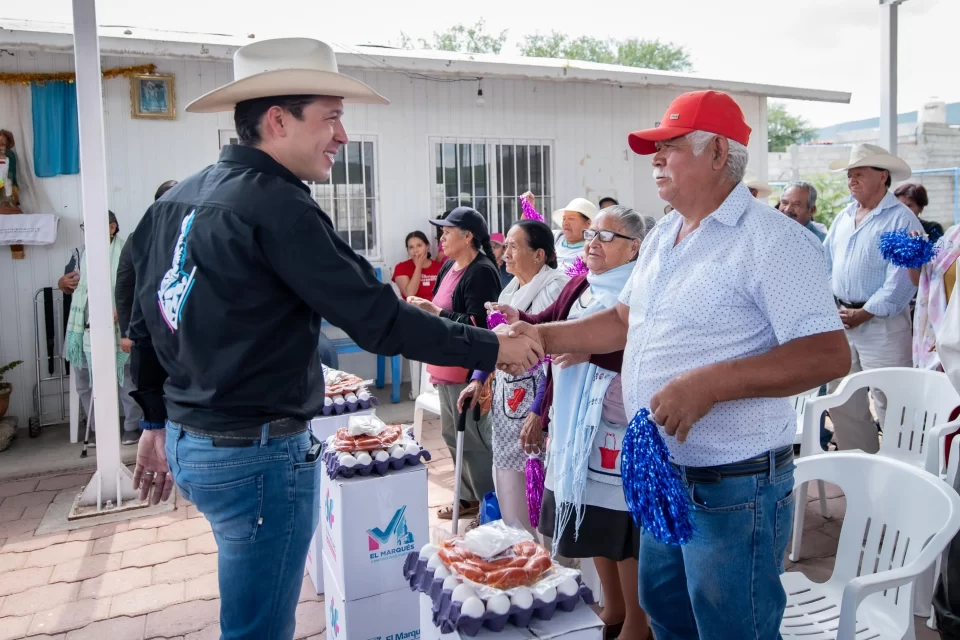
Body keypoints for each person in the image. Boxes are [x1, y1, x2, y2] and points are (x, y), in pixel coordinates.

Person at [127, 38, 541, 640]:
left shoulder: (179, 199)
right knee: (259, 626)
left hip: (194, 443)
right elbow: (380, 321)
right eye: (331, 117)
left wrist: (155, 421)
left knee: (244, 601)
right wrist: (494, 348)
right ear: (276, 120)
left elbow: (143, 324)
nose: (342, 136)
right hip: (255, 453)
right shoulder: (277, 206)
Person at [505, 90, 849, 638]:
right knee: (666, 612)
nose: (655, 158)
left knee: (732, 626)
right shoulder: (666, 233)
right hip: (665, 470)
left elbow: (828, 353)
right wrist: (541, 335)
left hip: (732, 485)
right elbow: (622, 321)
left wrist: (713, 383)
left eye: (670, 147)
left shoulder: (772, 240)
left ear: (717, 153)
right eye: (655, 149)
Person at [495, 206, 655, 640]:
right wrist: (524, 323)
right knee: (595, 520)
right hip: (576, 420)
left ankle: (640, 626)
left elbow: (641, 344)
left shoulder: (642, 286)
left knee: (624, 530)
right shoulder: (583, 281)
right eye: (592, 234)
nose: (593, 242)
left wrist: (593, 352)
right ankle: (615, 608)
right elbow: (557, 324)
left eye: (606, 236)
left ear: (636, 247)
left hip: (618, 424)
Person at [459, 219, 567, 537]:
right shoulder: (511, 289)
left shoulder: (554, 289)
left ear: (539, 255)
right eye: (505, 246)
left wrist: (538, 412)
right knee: (509, 490)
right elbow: (497, 342)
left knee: (540, 500)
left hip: (539, 409)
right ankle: (518, 557)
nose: (505, 253)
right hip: (507, 411)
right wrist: (479, 379)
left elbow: (554, 360)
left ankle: (544, 569)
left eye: (514, 246)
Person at [406, 207, 504, 525]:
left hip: (467, 370)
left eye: (448, 232)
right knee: (452, 434)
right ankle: (467, 499)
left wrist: (436, 312)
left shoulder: (482, 271)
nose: (442, 238)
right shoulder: (450, 265)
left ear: (468, 236)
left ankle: (490, 506)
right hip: (444, 367)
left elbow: (480, 324)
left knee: (473, 439)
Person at [823, 143, 922, 453]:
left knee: (892, 401)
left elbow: (902, 281)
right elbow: (825, 265)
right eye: (849, 175)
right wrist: (833, 306)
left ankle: (904, 470)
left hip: (882, 326)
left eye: (859, 174)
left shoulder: (902, 220)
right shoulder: (843, 216)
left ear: (882, 176)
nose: (851, 180)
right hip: (842, 322)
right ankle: (861, 465)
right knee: (842, 399)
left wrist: (865, 312)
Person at [61, 211, 144, 445]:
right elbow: (69, 284)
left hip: (119, 324)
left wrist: (122, 308)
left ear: (112, 227)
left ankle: (131, 426)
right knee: (84, 379)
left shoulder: (127, 249)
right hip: (84, 328)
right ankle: (98, 428)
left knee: (127, 378)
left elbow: (138, 285)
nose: (88, 232)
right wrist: (62, 284)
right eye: (85, 227)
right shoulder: (80, 254)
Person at [910, 223, 960, 370]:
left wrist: (952, 338)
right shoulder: (953, 235)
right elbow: (923, 280)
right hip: (941, 338)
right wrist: (915, 253)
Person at [530, 191, 596, 271]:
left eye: (571, 219)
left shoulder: (593, 249)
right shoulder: (554, 237)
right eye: (564, 218)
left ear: (588, 223)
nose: (565, 223)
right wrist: (528, 208)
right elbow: (531, 232)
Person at [392, 230, 443, 300]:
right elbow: (410, 294)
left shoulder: (440, 267)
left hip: (436, 308)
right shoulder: (401, 268)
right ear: (407, 250)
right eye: (411, 247)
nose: (415, 250)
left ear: (427, 246)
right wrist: (418, 266)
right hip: (413, 310)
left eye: (419, 245)